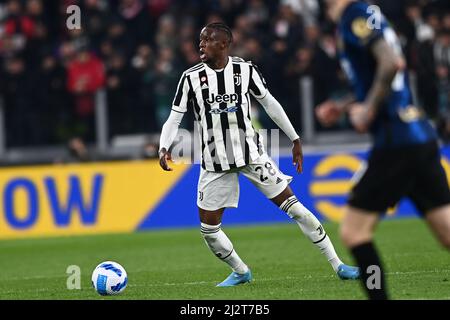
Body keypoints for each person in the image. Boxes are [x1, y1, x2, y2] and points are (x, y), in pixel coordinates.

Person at [158, 22, 359, 287]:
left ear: (224, 44)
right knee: (209, 230)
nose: (201, 44)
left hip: (252, 155)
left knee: (296, 209)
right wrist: (164, 146)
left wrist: (295, 138)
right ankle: (241, 271)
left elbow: (270, 104)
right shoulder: (190, 77)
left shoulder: (245, 70)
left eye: (207, 39)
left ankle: (339, 264)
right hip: (214, 162)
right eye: (200, 39)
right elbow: (174, 118)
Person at [316, 0, 450, 300]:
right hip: (419, 135)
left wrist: (368, 110)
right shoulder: (369, 14)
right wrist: (345, 106)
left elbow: (391, 63)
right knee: (447, 234)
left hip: (396, 143)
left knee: (354, 233)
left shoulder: (354, 15)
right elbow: (384, 75)